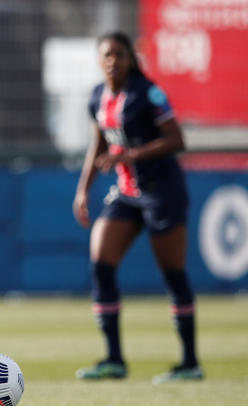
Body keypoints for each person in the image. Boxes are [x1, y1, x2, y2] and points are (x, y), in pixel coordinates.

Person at [72, 31, 202, 383]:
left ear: (130, 59)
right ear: (100, 61)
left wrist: (131, 155)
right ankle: (114, 359)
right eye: (106, 55)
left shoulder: (148, 93)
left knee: (173, 274)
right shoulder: (98, 96)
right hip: (127, 192)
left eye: (118, 54)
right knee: (101, 263)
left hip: (163, 191)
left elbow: (177, 139)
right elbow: (96, 146)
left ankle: (190, 363)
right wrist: (83, 191)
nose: (112, 60)